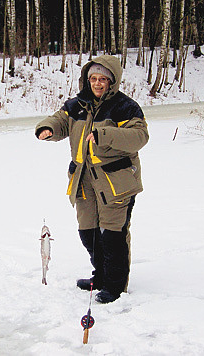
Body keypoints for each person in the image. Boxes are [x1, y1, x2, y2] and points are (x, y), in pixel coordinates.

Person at [35, 55, 149, 303]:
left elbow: (139, 137)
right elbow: (60, 120)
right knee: (88, 233)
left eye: (103, 79)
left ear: (112, 81)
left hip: (116, 181)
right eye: (93, 78)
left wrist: (104, 134)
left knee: (113, 235)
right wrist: (48, 128)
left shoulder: (125, 107)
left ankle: (115, 286)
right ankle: (101, 276)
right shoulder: (77, 104)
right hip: (83, 180)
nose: (97, 83)